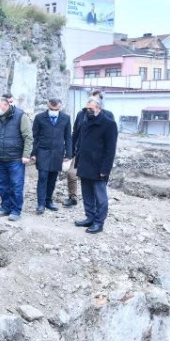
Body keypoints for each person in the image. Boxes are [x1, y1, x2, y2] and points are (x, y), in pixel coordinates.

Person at [74, 97, 118, 234]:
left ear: (99, 108)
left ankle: (99, 223)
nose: (88, 111)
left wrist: (105, 169)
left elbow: (110, 150)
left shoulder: (109, 124)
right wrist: (77, 161)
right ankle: (90, 217)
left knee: (100, 198)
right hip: (84, 165)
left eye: (91, 109)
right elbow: (80, 143)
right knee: (87, 195)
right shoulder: (85, 122)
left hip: (99, 168)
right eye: (87, 108)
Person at [63, 90, 115, 207]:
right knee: (72, 174)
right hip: (81, 153)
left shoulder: (108, 116)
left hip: (98, 157)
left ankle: (98, 207)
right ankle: (73, 197)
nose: (92, 102)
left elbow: (110, 142)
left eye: (96, 99)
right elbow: (75, 134)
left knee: (97, 183)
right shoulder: (81, 114)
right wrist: (69, 153)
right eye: (91, 98)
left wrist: (106, 166)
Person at [31, 98, 72, 214]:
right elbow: (35, 136)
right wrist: (33, 153)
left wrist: (69, 154)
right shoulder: (39, 118)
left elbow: (68, 137)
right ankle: (41, 203)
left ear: (60, 107)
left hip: (57, 152)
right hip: (42, 151)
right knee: (43, 177)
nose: (53, 111)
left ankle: (48, 200)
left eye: (56, 109)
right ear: (47, 106)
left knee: (53, 178)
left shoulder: (66, 118)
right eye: (51, 109)